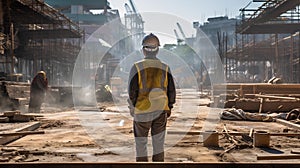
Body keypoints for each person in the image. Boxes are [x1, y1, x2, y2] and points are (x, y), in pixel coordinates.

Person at [128, 33, 176, 162]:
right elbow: (171, 91)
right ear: (157, 50)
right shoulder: (165, 68)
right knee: (159, 145)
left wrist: (133, 107)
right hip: (160, 110)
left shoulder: (136, 67)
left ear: (143, 50)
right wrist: (170, 106)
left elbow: (132, 91)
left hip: (142, 110)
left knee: (141, 144)